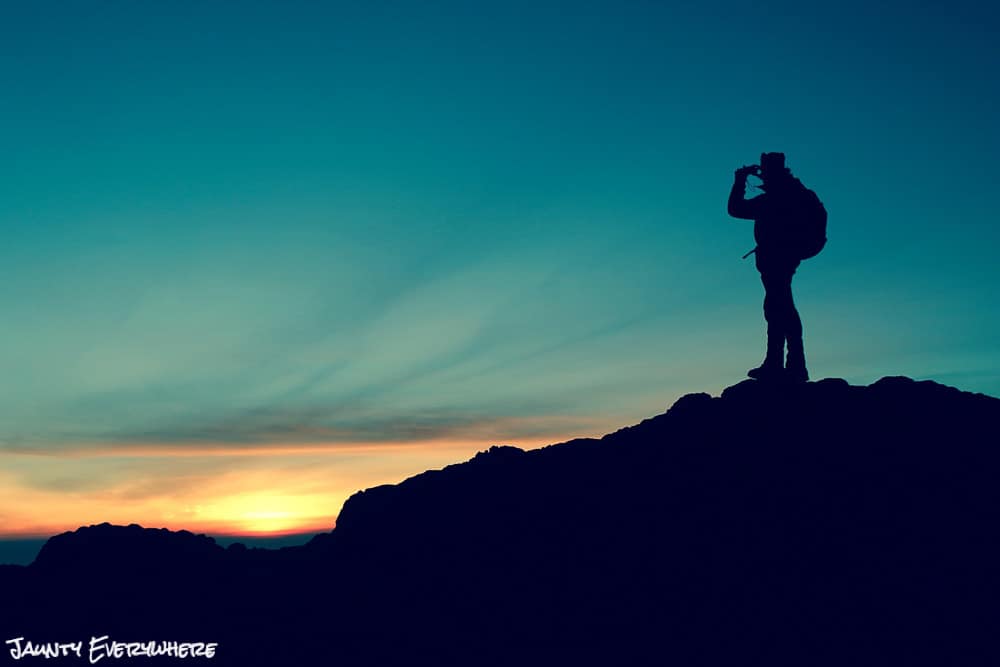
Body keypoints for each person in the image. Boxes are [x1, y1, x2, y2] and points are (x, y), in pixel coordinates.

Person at [728, 152, 810, 382]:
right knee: (778, 306)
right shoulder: (794, 194)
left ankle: (787, 365)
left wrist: (740, 180)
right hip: (784, 257)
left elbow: (735, 209)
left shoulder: (776, 198)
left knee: (778, 308)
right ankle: (785, 364)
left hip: (777, 258)